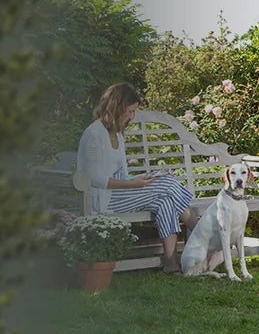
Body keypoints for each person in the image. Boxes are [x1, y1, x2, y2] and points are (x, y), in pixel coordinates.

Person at [78, 83, 198, 274]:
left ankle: (171, 263)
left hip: (117, 195)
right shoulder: (94, 133)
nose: (131, 117)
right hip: (100, 199)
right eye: (130, 111)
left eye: (134, 112)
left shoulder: (117, 134)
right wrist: (133, 184)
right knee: (166, 183)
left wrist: (139, 179)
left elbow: (122, 176)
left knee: (165, 199)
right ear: (117, 107)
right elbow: (94, 179)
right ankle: (200, 229)